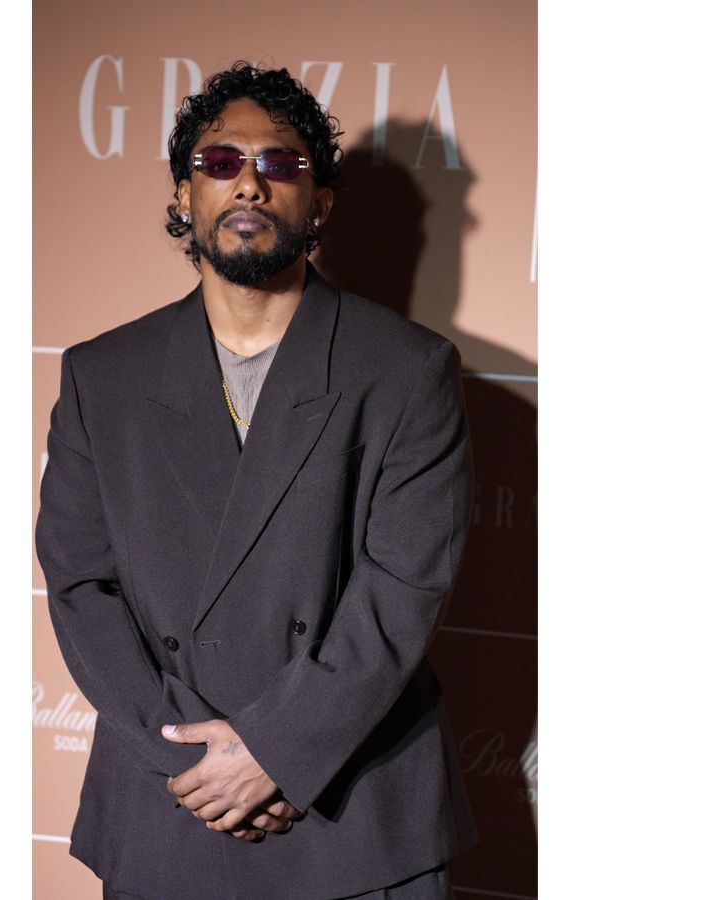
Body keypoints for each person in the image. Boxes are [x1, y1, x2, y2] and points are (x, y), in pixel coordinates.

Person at [36, 61, 477, 900]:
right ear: (184, 195)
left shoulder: (406, 371)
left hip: (353, 814)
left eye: (280, 163)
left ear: (321, 203)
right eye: (219, 161)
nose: (248, 182)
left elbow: (403, 587)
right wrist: (189, 756)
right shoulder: (103, 375)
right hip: (171, 804)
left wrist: (278, 749)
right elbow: (80, 583)